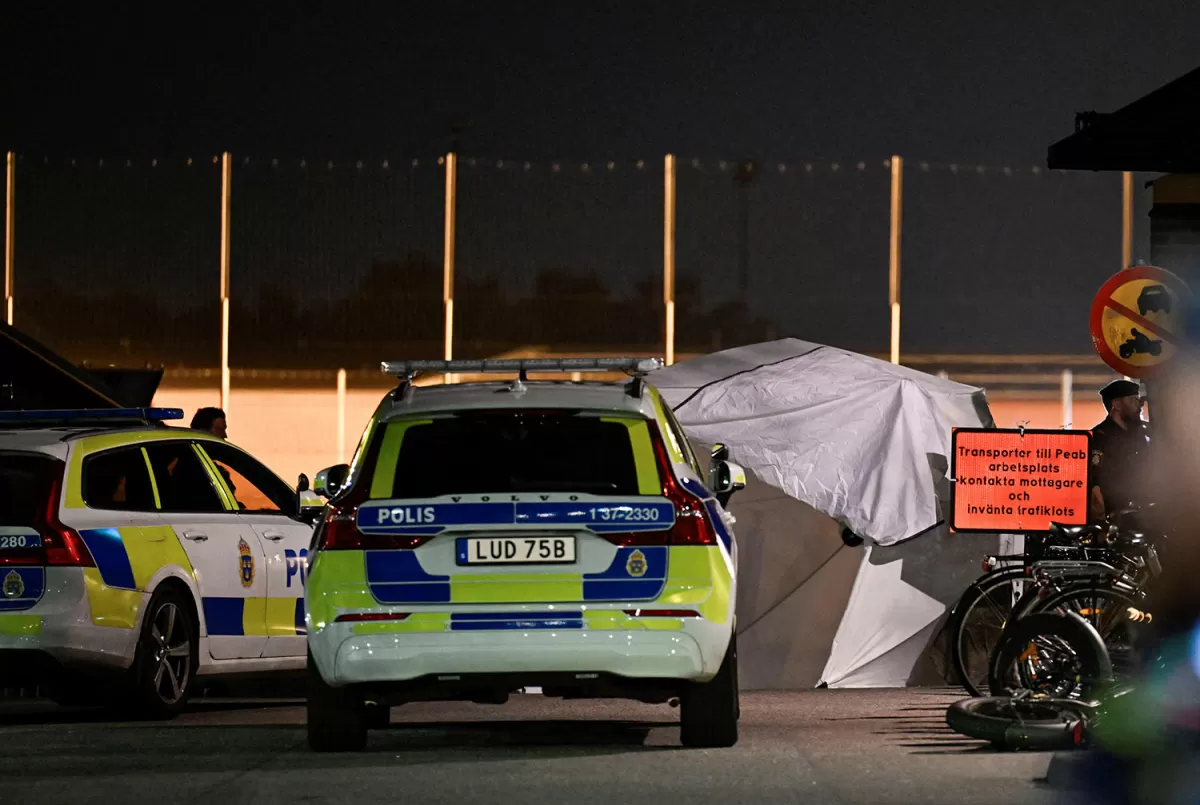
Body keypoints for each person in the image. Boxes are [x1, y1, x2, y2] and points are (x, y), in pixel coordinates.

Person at [1088, 379, 1150, 522]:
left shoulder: (1140, 434)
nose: (1139, 405)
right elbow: (1094, 486)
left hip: (1142, 513)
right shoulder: (1099, 437)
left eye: (1139, 400)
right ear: (1116, 405)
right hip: (1115, 518)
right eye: (1133, 400)